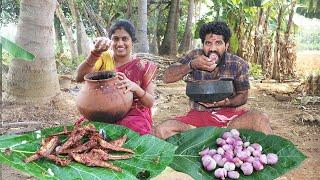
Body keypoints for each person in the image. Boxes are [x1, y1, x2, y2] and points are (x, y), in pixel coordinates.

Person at [154, 21, 273, 139]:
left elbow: (243, 96)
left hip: (230, 121)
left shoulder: (238, 63)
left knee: (260, 119)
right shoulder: (194, 57)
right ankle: (212, 145)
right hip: (197, 122)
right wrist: (191, 65)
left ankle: (221, 142)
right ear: (203, 44)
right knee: (162, 130)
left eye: (218, 43)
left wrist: (228, 102)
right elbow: (167, 77)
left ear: (226, 45)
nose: (213, 48)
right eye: (208, 43)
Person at [76, 19, 157, 135]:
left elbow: (150, 102)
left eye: (125, 39)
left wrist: (136, 88)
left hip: (134, 113)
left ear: (132, 41)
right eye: (115, 39)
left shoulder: (144, 66)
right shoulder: (103, 58)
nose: (120, 43)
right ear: (111, 41)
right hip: (102, 112)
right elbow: (79, 77)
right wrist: (94, 54)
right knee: (84, 131)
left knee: (128, 130)